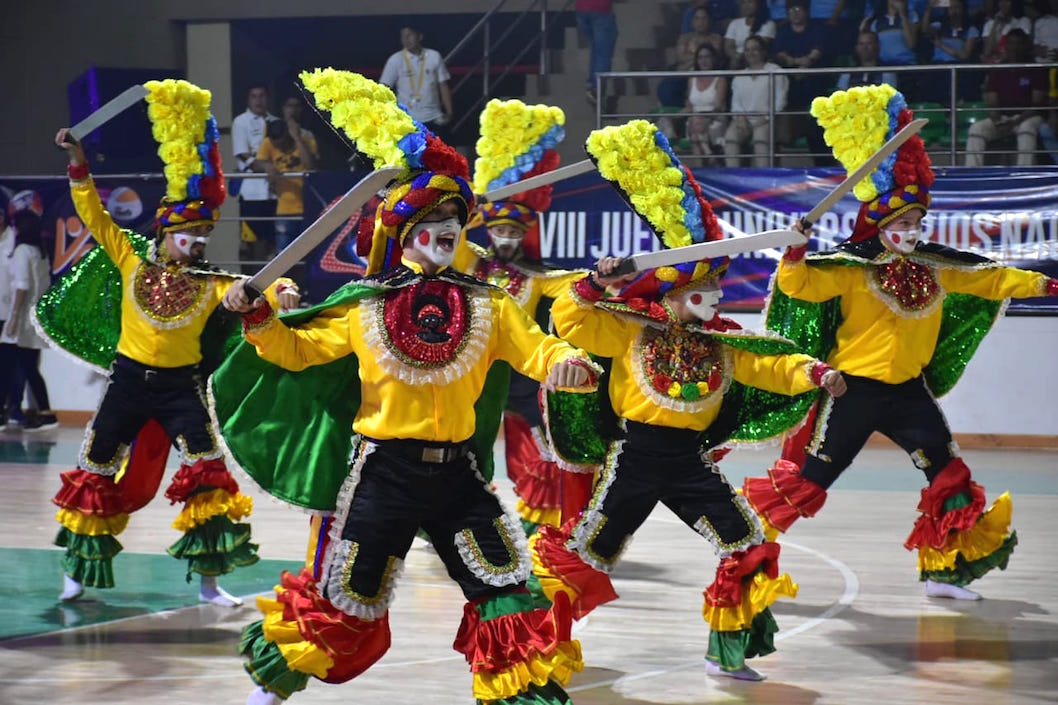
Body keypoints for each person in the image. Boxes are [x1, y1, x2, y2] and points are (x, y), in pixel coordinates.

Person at [218, 68, 598, 705]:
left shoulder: (489, 305)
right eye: (434, 219)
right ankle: (269, 695)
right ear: (405, 234)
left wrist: (568, 362)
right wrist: (258, 316)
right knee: (348, 603)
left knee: (508, 593)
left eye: (456, 219)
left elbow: (538, 350)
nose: (449, 228)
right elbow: (297, 348)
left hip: (457, 476)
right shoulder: (366, 304)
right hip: (382, 476)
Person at [530, 119, 847, 683]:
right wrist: (595, 284)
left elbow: (768, 363)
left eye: (718, 289)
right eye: (704, 291)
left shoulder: (723, 341)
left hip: (689, 463)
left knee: (746, 545)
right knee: (582, 557)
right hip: (634, 460)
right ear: (673, 291)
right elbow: (571, 320)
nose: (715, 298)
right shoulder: (630, 330)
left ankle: (725, 655)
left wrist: (813, 372)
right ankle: (542, 648)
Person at [743, 84, 1058, 603]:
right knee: (811, 482)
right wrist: (795, 253)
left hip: (908, 393)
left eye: (917, 223)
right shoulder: (850, 270)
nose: (912, 232)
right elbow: (799, 285)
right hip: (851, 394)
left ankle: (943, 571)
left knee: (949, 472)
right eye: (903, 224)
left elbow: (995, 280)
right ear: (881, 227)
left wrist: (1046, 284)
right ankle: (746, 553)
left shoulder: (937, 268)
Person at [43, 79, 299, 606]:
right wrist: (78, 160)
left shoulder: (212, 285)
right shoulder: (131, 259)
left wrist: (286, 292)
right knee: (94, 468)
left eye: (204, 235)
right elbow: (94, 214)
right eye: (190, 234)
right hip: (128, 385)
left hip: (182, 391)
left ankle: (208, 583)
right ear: (165, 232)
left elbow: (258, 291)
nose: (199, 242)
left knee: (207, 477)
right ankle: (77, 570)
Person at [459, 98, 592, 531]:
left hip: (520, 373)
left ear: (524, 235)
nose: (505, 238)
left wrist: (603, 276)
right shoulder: (473, 264)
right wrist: (467, 206)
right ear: (488, 230)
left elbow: (574, 281)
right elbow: (451, 238)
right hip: (473, 368)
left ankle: (541, 525)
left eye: (513, 232)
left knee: (538, 449)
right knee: (460, 449)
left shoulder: (535, 277)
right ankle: (453, 519)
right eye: (498, 230)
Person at [2, 210, 57, 431]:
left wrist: (13, 317)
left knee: (10, 366)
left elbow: (22, 286)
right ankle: (43, 412)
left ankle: (43, 413)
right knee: (26, 367)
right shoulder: (40, 251)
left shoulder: (22, 251)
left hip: (23, 318)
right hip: (35, 317)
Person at [964, 28, 1048, 166]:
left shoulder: (1035, 68)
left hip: (1028, 117)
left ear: (1025, 46)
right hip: (1003, 118)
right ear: (1005, 46)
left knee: (1026, 128)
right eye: (1011, 43)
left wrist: (1016, 121)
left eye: (1018, 44)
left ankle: (1024, 173)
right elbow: (992, 102)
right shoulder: (998, 69)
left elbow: (1037, 104)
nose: (1014, 48)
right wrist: (997, 120)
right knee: (976, 129)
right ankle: (972, 172)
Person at [251, 96, 319, 255]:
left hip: (309, 208)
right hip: (284, 209)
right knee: (284, 256)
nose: (279, 148)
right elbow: (256, 164)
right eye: (276, 146)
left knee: (310, 255)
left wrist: (297, 139)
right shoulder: (269, 142)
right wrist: (267, 165)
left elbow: (311, 166)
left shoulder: (306, 139)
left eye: (283, 144)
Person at [772, 0, 829, 162]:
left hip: (814, 81)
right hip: (791, 83)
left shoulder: (817, 29)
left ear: (806, 12)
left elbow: (816, 52)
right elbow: (780, 54)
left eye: (799, 9)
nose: (795, 13)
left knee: (816, 124)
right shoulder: (783, 31)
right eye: (792, 10)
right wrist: (796, 64)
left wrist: (804, 63)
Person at [231, 83, 278, 271]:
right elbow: (243, 153)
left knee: (272, 239)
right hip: (251, 191)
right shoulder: (240, 121)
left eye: (262, 96)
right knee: (251, 240)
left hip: (274, 191)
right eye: (254, 96)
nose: (258, 100)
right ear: (248, 99)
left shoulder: (275, 121)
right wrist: (266, 166)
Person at [379, 26, 454, 141]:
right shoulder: (395, 59)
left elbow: (443, 85)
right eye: (403, 36)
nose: (406, 40)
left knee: (436, 157)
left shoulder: (434, 56)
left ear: (420, 36)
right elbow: (383, 88)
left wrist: (449, 112)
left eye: (409, 35)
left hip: (433, 118)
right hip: (407, 120)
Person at [723, 35, 789, 166]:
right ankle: (734, 178)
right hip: (744, 119)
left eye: (755, 49)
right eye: (747, 50)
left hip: (768, 118)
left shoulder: (775, 71)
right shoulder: (739, 76)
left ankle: (763, 178)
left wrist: (766, 118)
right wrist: (740, 117)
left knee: (760, 139)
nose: (750, 53)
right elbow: (736, 103)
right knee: (730, 138)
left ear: (763, 51)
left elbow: (781, 101)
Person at [919, 0, 982, 103]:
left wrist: (941, 45)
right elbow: (925, 30)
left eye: (957, 8)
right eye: (951, 8)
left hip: (958, 68)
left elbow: (964, 55)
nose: (954, 11)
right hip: (938, 67)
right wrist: (928, 9)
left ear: (963, 10)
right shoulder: (939, 26)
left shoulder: (971, 30)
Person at [685, 43, 730, 159]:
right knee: (695, 125)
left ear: (713, 58)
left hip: (714, 118)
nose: (703, 61)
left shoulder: (720, 78)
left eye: (707, 57)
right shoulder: (692, 78)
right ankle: (709, 155)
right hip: (694, 120)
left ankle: (700, 171)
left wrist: (704, 119)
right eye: (700, 57)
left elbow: (719, 107)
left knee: (696, 134)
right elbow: (690, 104)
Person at [575, 0, 619, 105]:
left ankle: (592, 84)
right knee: (603, 54)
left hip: (582, 10)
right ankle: (596, 90)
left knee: (596, 50)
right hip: (601, 9)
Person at [724, 0, 776, 69]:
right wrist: (737, 56)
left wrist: (742, 56)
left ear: (758, 4)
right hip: (737, 61)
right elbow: (728, 47)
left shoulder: (768, 24)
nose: (746, 5)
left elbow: (759, 46)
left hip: (757, 60)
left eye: (750, 2)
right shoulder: (734, 23)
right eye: (743, 2)